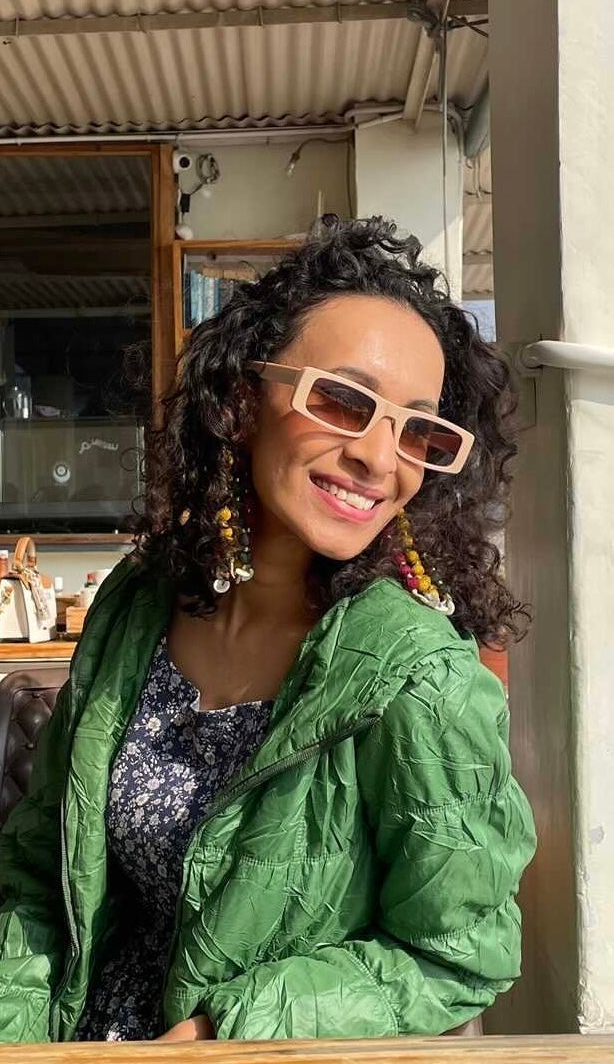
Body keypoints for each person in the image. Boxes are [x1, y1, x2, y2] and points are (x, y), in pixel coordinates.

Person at [0, 217, 536, 1044]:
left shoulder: (419, 680)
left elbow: (459, 956)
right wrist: (20, 1034)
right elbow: (39, 869)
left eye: (417, 429)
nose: (379, 458)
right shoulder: (137, 609)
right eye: (344, 400)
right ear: (241, 399)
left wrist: (229, 1028)